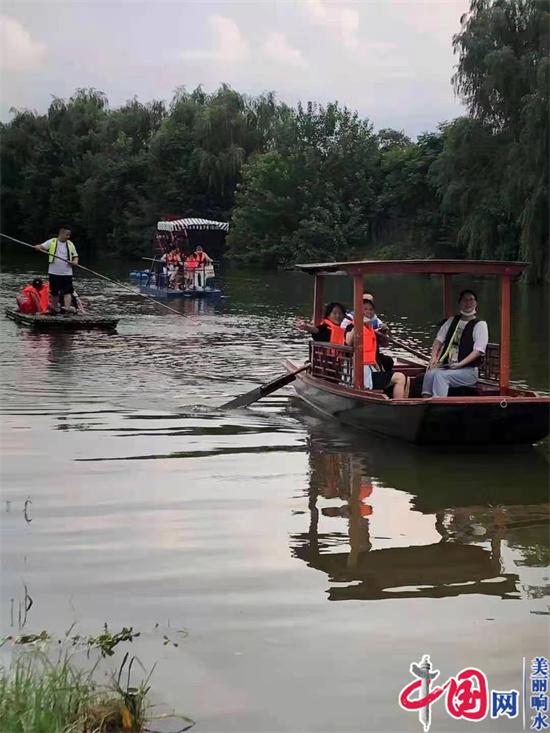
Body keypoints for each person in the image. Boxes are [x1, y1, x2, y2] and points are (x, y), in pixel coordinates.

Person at [421, 289, 488, 398]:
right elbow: (438, 340)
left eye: (471, 300)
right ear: (460, 303)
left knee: (440, 376)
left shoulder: (480, 325)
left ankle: (438, 405)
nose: (468, 303)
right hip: (449, 367)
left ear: (476, 303)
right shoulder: (452, 320)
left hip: (468, 371)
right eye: (465, 300)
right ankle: (425, 402)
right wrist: (433, 358)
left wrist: (459, 365)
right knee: (430, 373)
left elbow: (478, 351)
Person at [345, 299, 409, 398]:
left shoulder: (371, 328)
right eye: (365, 309)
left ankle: (401, 405)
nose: (368, 312)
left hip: (371, 369)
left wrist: (384, 333)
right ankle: (398, 405)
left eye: (371, 309)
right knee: (400, 378)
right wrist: (358, 324)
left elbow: (382, 346)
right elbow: (348, 342)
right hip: (360, 373)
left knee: (405, 379)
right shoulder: (351, 326)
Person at [33, 226, 78, 312]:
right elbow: (41, 246)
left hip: (67, 273)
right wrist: (37, 247)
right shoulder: (52, 241)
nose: (68, 237)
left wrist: (75, 261)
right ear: (61, 234)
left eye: (69, 235)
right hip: (54, 272)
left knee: (67, 291)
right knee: (54, 291)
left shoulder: (70, 244)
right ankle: (54, 306)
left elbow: (75, 256)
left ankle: (67, 308)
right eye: (67, 235)